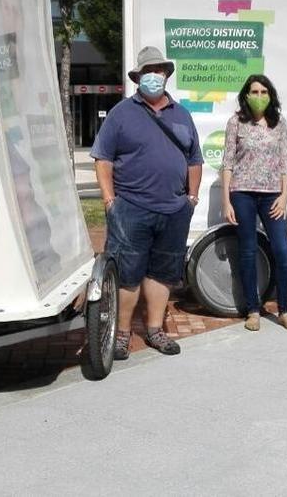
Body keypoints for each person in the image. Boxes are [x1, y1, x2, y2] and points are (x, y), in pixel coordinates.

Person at [92, 46, 202, 358]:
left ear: (166, 74)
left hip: (174, 210)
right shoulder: (121, 114)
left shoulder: (182, 115)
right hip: (130, 209)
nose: (153, 76)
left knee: (163, 273)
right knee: (127, 275)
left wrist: (191, 199)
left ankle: (155, 330)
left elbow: (194, 159)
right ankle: (122, 334)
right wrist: (110, 200)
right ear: (138, 77)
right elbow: (103, 159)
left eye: (159, 70)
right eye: (147, 71)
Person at [220, 75, 287, 331]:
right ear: (246, 94)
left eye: (264, 91)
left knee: (283, 253)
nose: (259, 96)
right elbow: (228, 162)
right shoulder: (236, 122)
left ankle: (284, 310)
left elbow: (285, 162)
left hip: (272, 195)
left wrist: (284, 196)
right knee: (248, 252)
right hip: (242, 193)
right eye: (255, 91)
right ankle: (253, 310)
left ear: (271, 95)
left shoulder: (279, 123)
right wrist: (226, 201)